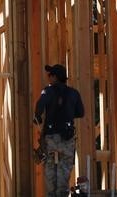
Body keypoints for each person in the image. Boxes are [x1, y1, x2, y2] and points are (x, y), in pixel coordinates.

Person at [33, 64, 85, 197]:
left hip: (51, 138)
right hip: (67, 138)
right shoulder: (73, 93)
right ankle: (61, 194)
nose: (48, 78)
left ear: (55, 77)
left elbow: (39, 107)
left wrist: (38, 117)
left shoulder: (48, 91)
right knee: (65, 167)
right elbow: (80, 112)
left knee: (50, 166)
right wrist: (66, 114)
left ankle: (52, 194)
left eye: (50, 75)